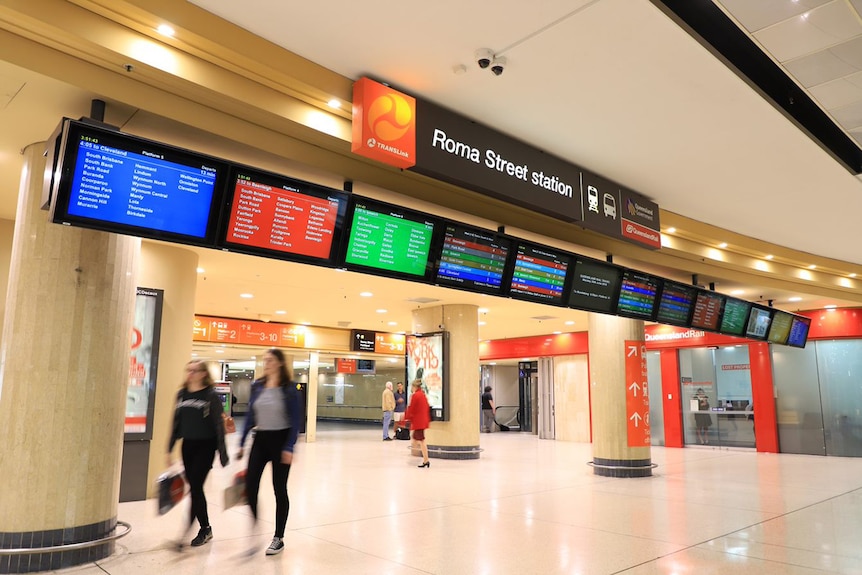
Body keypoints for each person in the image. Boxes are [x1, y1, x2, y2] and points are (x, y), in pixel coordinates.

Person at [237, 348, 303, 556]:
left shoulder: (289, 389)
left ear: (280, 363)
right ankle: (255, 529)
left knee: (279, 489)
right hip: (261, 439)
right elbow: (250, 415)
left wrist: (289, 447)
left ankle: (278, 537)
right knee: (250, 485)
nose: (266, 363)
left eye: (270, 360)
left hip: (281, 441)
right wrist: (241, 441)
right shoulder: (257, 385)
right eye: (265, 360)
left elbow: (296, 421)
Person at [166, 360, 229, 549]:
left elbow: (219, 426)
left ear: (203, 374)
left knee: (195, 486)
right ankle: (205, 528)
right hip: (188, 446)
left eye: (195, 371)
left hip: (206, 446)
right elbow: (176, 423)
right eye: (189, 370)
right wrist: (169, 448)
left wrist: (223, 453)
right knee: (195, 488)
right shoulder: (182, 394)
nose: (190, 374)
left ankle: (190, 531)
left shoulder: (210, 396)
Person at [404, 379, 431, 468]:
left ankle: (426, 460)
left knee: (421, 441)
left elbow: (411, 408)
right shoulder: (423, 395)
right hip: (422, 421)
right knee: (418, 439)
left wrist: (406, 417)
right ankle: (424, 459)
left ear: (414, 386)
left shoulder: (415, 395)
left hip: (418, 422)